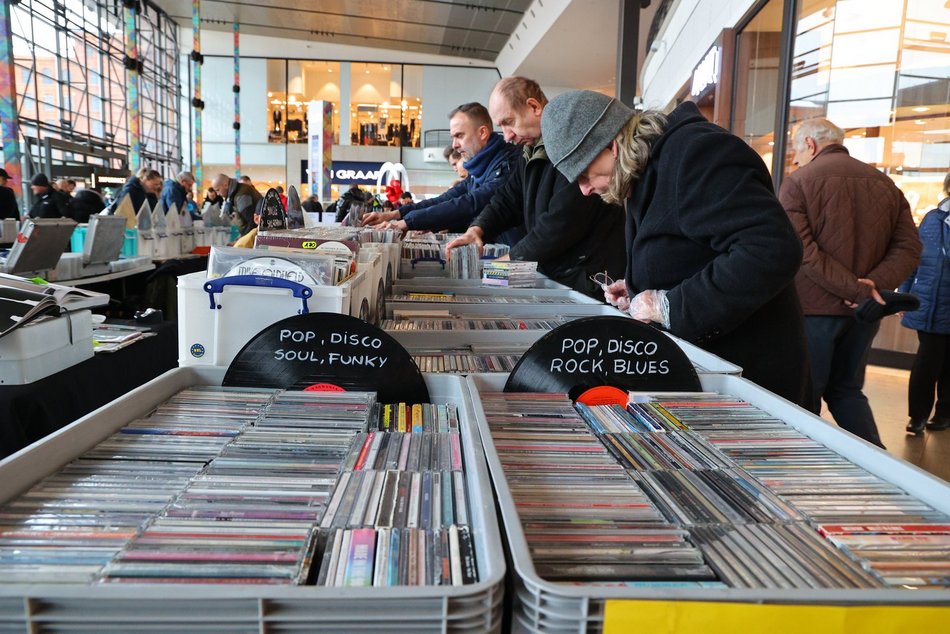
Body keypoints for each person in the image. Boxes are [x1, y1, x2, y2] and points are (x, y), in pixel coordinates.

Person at [541, 89, 810, 407]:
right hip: (711, 375)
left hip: (753, 381)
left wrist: (672, 306)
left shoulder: (698, 153)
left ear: (611, 146)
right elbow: (691, 246)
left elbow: (770, 249)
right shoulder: (645, 170)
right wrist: (639, 288)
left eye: (584, 173)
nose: (585, 190)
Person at [780, 118, 921, 447]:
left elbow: (802, 252)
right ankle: (879, 466)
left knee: (805, 397)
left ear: (811, 144)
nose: (796, 158)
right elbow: (910, 248)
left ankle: (799, 474)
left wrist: (858, 289)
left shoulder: (798, 183)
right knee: (847, 391)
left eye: (797, 150)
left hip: (812, 312)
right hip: (863, 314)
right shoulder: (886, 184)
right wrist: (870, 288)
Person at [445, 77, 625, 298]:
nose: (507, 135)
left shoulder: (566, 144)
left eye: (509, 122)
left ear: (534, 107)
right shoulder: (530, 150)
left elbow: (560, 223)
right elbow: (508, 198)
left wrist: (508, 263)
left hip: (590, 282)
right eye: (501, 126)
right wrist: (478, 229)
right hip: (558, 276)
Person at [362, 102, 520, 234]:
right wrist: (393, 215)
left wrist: (407, 223)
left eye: (459, 136)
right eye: (453, 137)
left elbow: (470, 203)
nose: (454, 145)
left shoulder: (507, 164)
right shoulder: (478, 172)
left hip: (516, 262)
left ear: (482, 133)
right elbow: (445, 199)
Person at [899, 173, 950, 435]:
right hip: (931, 302)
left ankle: (943, 414)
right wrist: (906, 294)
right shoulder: (933, 218)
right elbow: (914, 258)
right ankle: (918, 416)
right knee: (927, 361)